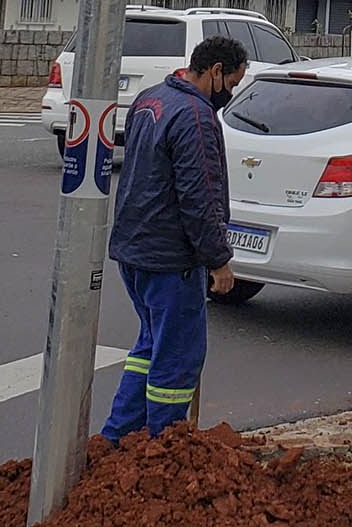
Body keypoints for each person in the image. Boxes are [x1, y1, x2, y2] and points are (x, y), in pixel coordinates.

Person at [99, 32, 248, 442]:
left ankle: (118, 439)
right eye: (232, 83)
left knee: (150, 347)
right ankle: (164, 446)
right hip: (171, 259)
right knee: (178, 358)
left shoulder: (150, 99)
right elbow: (199, 197)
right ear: (215, 71)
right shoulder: (196, 116)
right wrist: (218, 260)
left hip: (134, 250)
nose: (231, 93)